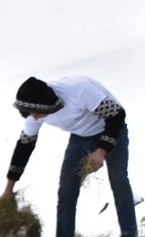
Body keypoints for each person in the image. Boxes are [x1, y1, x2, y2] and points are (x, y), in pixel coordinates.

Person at [2, 76, 137, 237]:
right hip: (80, 137)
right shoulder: (35, 113)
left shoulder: (80, 91)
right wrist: (9, 189)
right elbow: (24, 147)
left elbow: (117, 115)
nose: (35, 118)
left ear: (45, 104)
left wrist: (102, 149)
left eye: (36, 113)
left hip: (113, 130)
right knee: (66, 191)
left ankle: (129, 233)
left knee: (119, 180)